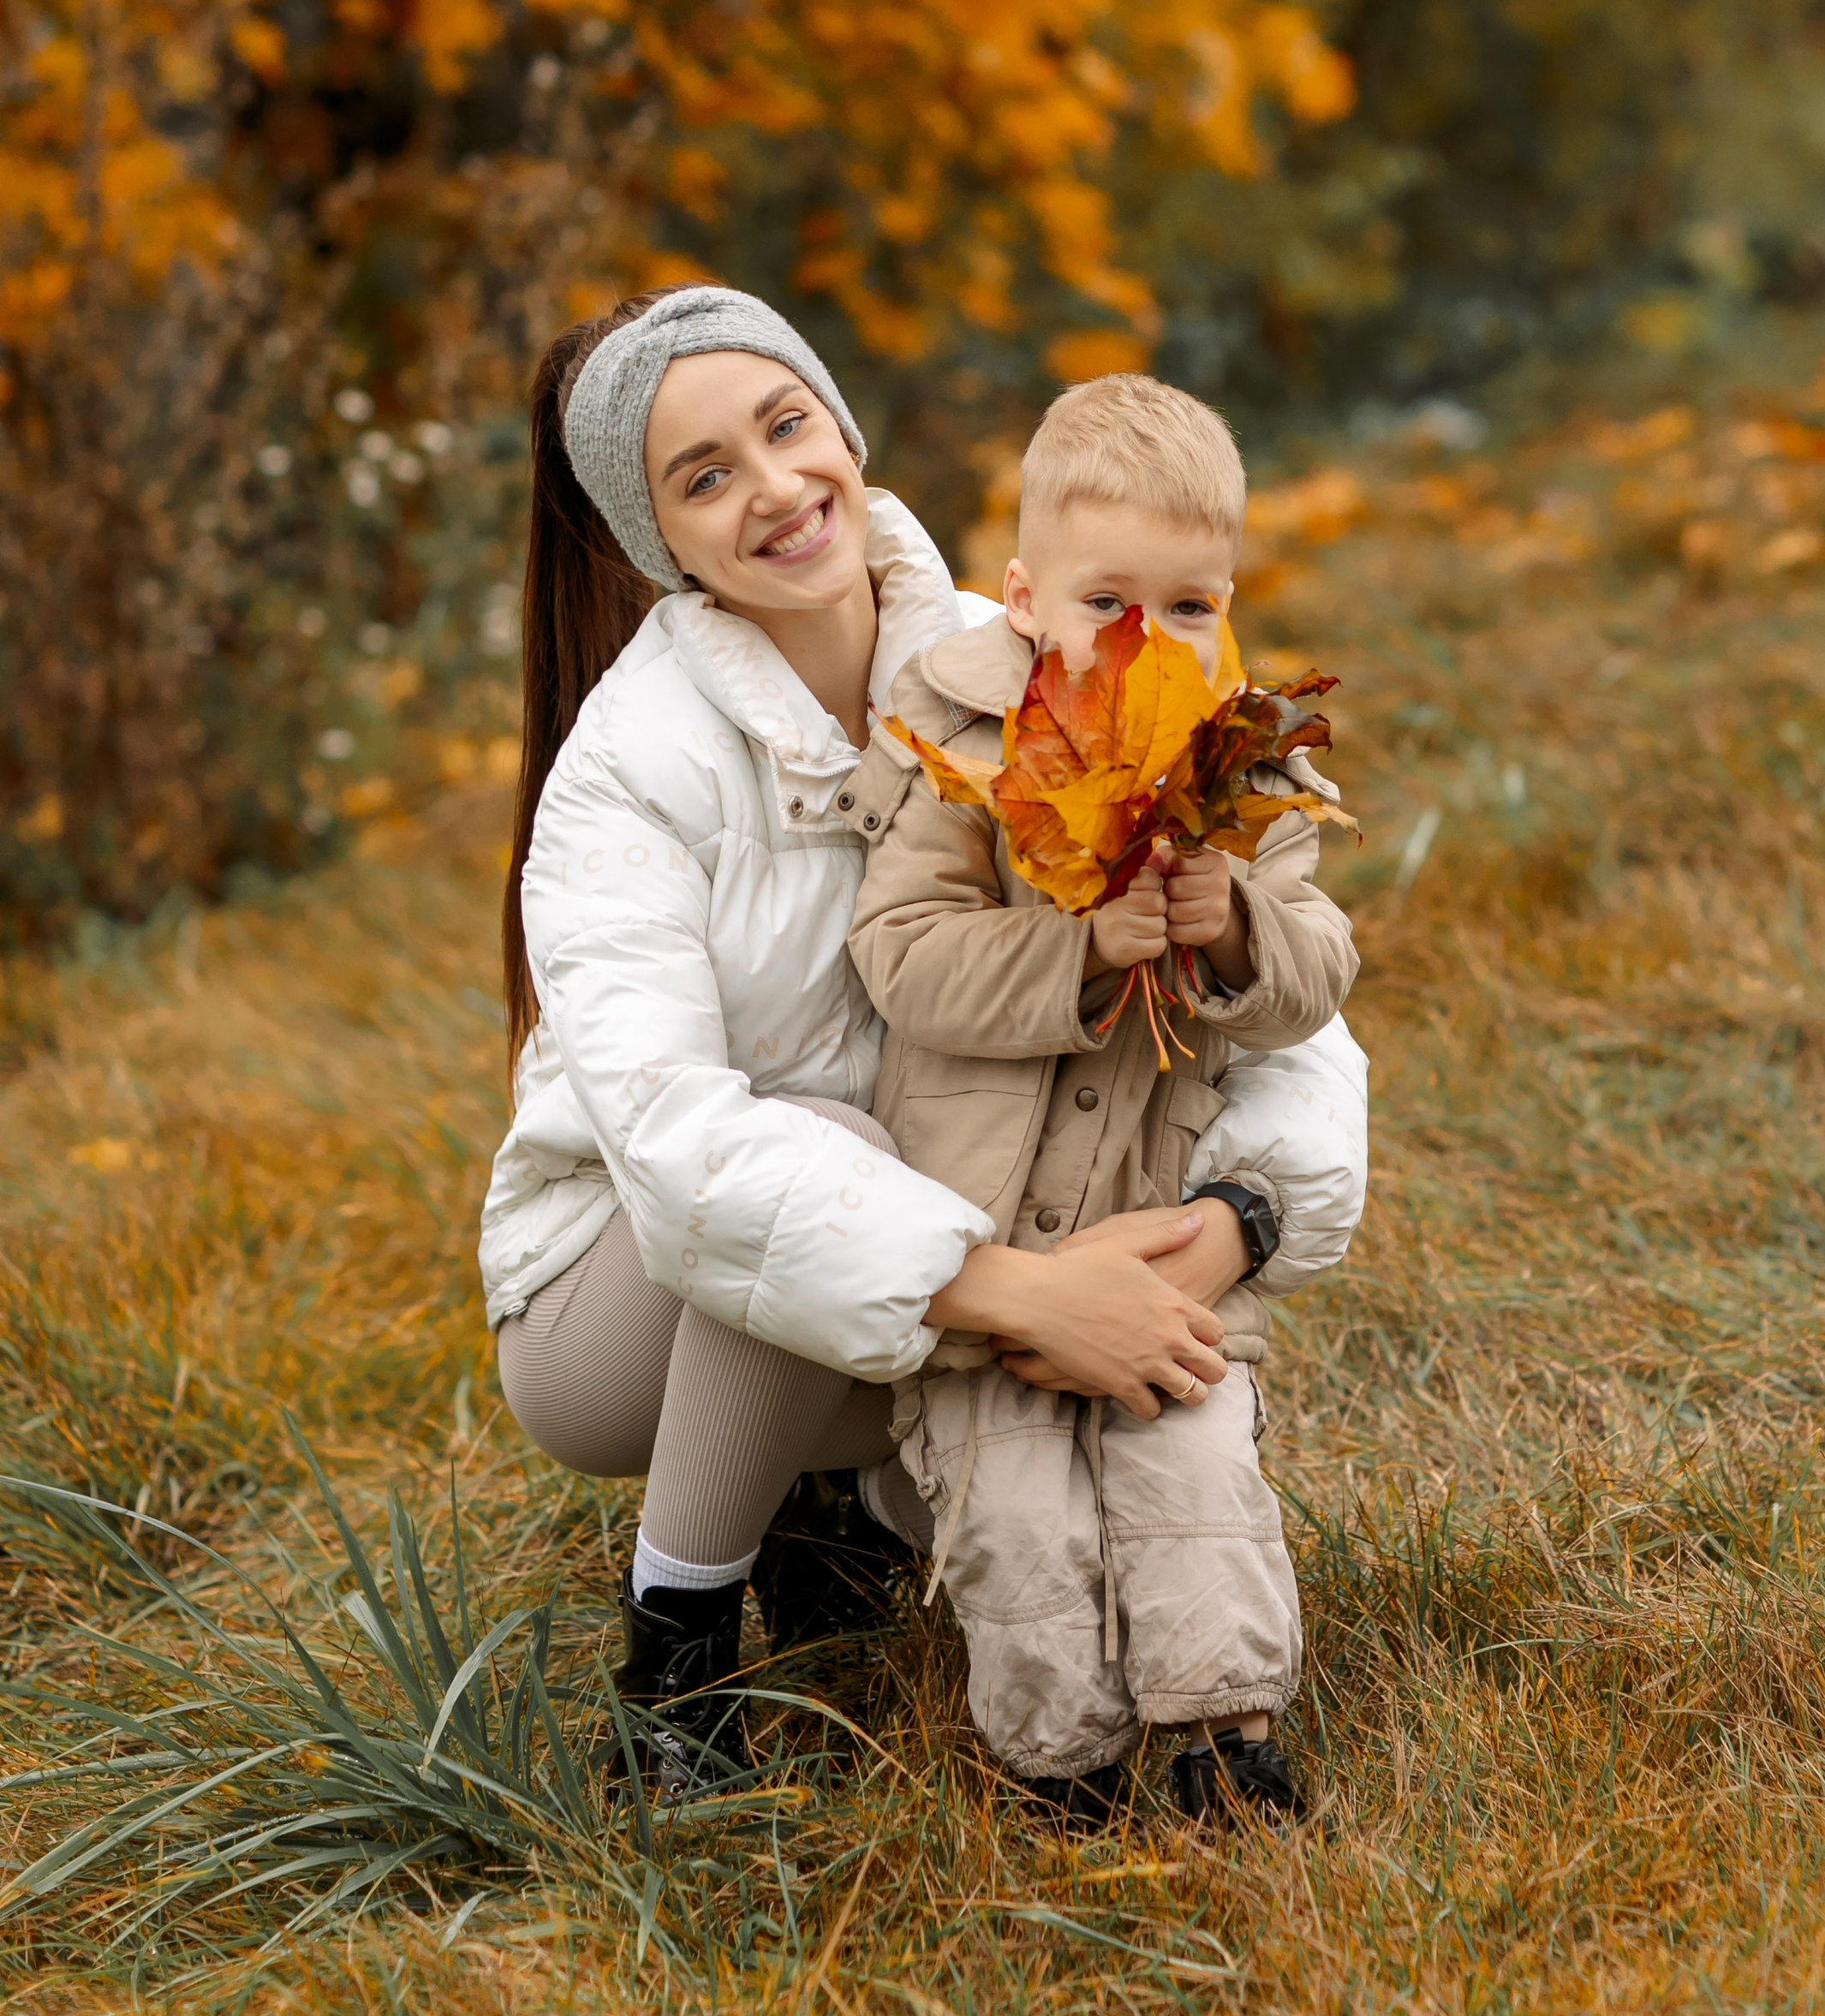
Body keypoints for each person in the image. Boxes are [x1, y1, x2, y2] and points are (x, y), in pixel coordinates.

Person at [480, 283, 1369, 1786]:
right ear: (660, 537)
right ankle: (678, 1654)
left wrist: (1241, 1217)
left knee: (1085, 1183)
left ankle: (845, 1521)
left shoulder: (1033, 647)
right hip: (625, 1298)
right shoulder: (624, 776)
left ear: (839, 421)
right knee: (823, 1147)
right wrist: (1019, 1289)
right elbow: (688, 1154)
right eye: (706, 476)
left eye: (784, 425)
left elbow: (1284, 1006)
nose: (773, 489)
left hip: (950, 1216)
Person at [847, 374, 1357, 1829]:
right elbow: (900, 960)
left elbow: (1322, 972)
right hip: (987, 1242)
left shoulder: (1240, 779)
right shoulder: (960, 750)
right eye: (1107, 604)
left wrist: (1237, 927)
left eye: (1191, 609)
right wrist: (1074, 952)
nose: (1150, 644)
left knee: (1192, 1482)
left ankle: (1223, 1741)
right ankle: (1060, 1765)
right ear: (1020, 600)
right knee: (1021, 1528)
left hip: (1152, 1240)